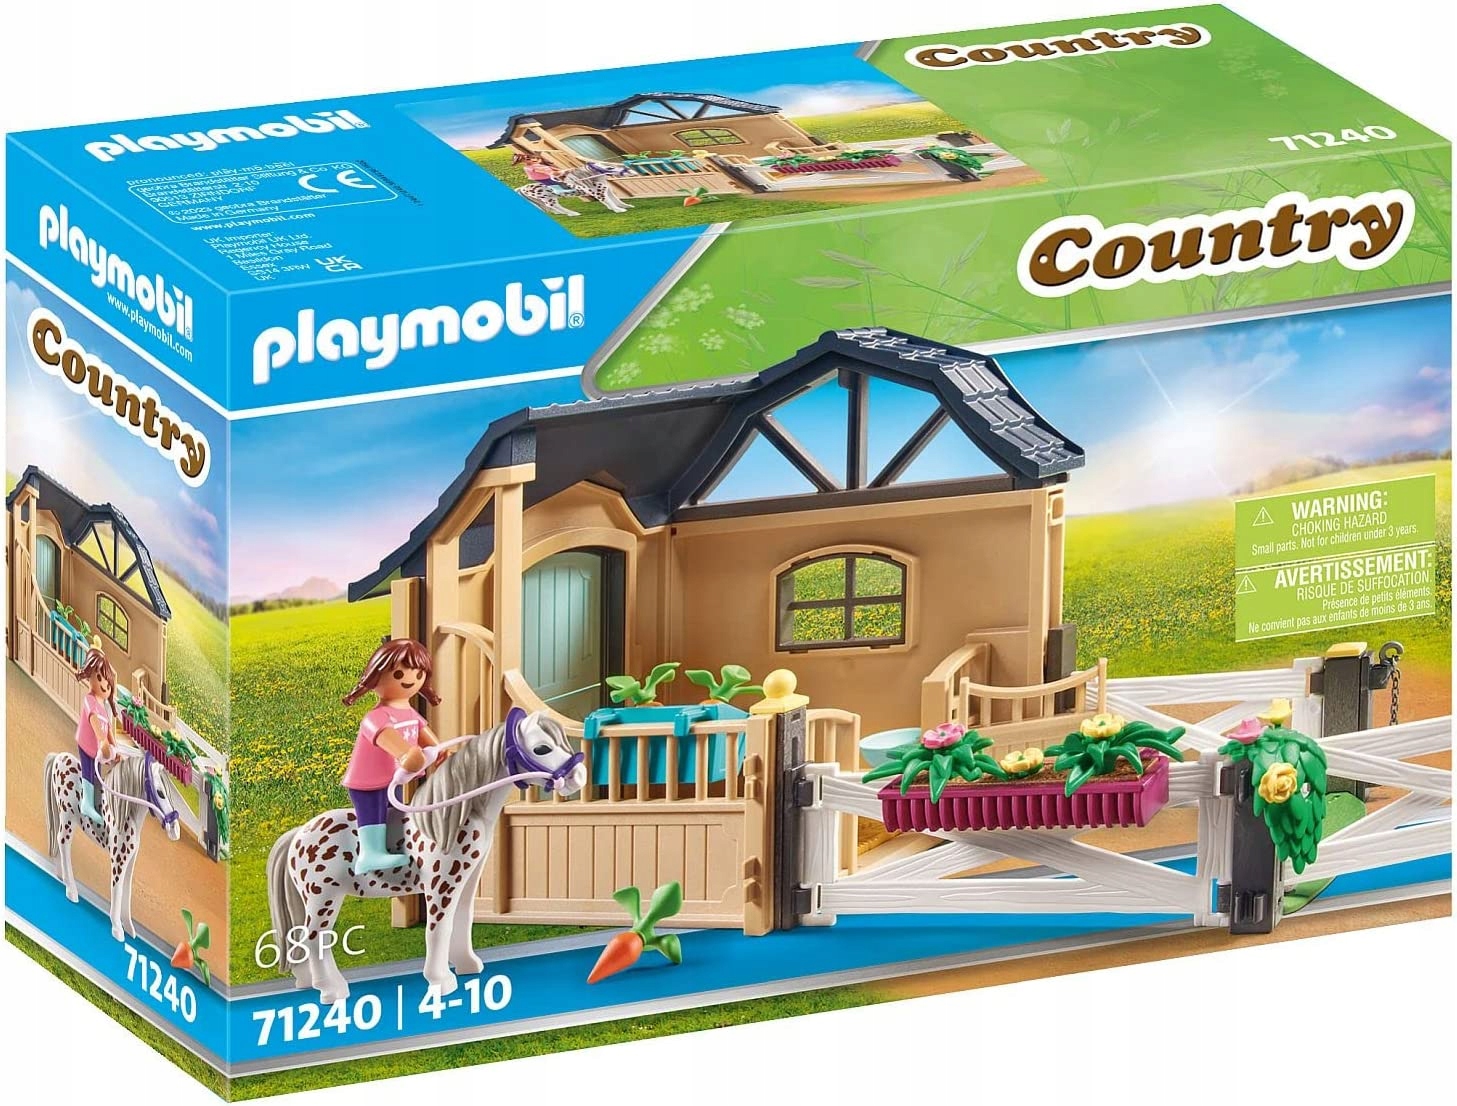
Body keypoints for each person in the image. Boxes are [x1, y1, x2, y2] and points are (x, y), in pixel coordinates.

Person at [340, 637, 443, 874]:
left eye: (419, 674)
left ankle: (394, 846)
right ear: (375, 676)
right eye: (399, 674)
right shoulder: (376, 717)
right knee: (374, 814)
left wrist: (441, 751)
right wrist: (407, 754)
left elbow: (427, 737)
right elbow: (392, 742)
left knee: (394, 812)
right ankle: (370, 854)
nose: (410, 679)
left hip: (392, 779)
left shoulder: (408, 712)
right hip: (368, 782)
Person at [74, 644, 121, 826]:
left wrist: (114, 747)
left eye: (107, 684)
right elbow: (94, 721)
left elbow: (108, 730)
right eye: (99, 678)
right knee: (88, 771)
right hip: (87, 745)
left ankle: (95, 801)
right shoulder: (90, 700)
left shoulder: (104, 708)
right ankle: (86, 803)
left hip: (98, 752)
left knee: (97, 774)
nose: (103, 684)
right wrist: (102, 741)